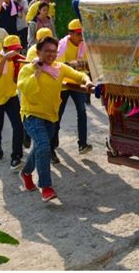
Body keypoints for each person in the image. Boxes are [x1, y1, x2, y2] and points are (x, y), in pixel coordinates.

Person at [17, 36, 92, 202]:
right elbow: (27, 90)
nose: (51, 55)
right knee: (43, 145)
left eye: (54, 51)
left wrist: (87, 82)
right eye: (47, 51)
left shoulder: (59, 68)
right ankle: (46, 187)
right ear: (38, 52)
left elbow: (78, 75)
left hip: (51, 116)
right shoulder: (27, 70)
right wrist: (37, 71)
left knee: (39, 147)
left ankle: (25, 172)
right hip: (31, 114)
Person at [49, 19, 91, 163]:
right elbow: (56, 65)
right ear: (70, 34)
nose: (81, 37)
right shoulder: (62, 46)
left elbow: (86, 64)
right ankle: (51, 148)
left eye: (82, 33)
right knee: (57, 116)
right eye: (78, 34)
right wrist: (72, 65)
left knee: (82, 112)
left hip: (76, 82)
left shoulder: (83, 45)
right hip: (62, 84)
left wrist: (75, 66)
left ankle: (82, 144)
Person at [0, 34, 26, 169]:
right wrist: (5, 59)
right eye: (12, 50)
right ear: (5, 49)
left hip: (10, 96)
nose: (15, 53)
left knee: (18, 125)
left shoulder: (18, 60)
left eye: (17, 49)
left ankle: (16, 157)